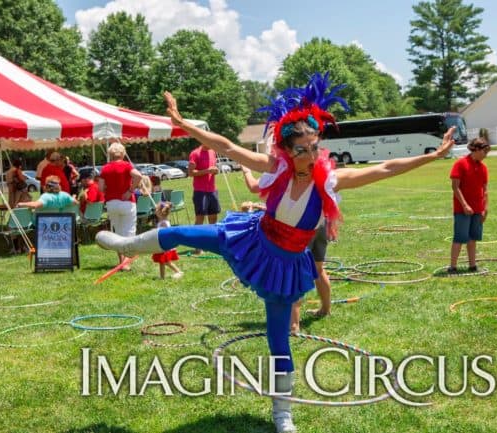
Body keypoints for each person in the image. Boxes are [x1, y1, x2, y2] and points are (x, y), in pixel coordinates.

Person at [96, 73, 454, 433]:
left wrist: (433, 155)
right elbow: (227, 147)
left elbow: (385, 168)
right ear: (287, 151)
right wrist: (181, 122)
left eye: (315, 146)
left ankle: (283, 414)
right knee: (178, 232)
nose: (311, 154)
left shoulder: (327, 180)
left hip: (285, 264)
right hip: (250, 240)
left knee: (278, 340)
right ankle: (127, 246)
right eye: (302, 149)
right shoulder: (276, 166)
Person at [242, 165, 331, 332]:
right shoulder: (312, 167)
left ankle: (293, 324)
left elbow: (254, 187)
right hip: (320, 222)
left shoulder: (280, 168)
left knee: (294, 271)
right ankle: (325, 309)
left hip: (300, 228)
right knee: (319, 268)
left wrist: (247, 170)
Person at [448, 137, 490, 274]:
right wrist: (465, 205)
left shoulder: (483, 167)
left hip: (478, 209)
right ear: (476, 149)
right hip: (462, 209)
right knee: (460, 238)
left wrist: (485, 208)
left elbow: (485, 190)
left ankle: (472, 266)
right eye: (484, 152)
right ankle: (452, 267)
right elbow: (455, 187)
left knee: (473, 239)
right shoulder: (460, 164)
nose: (486, 155)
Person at [99, 142, 142, 270]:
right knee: (129, 231)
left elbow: (100, 188)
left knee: (117, 232)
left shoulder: (105, 168)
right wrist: (130, 191)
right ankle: (126, 263)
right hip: (127, 202)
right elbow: (138, 176)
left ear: (110, 155)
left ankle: (121, 261)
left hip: (112, 202)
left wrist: (108, 189)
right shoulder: (127, 166)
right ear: (123, 154)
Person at [189, 141, 221, 254]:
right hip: (200, 191)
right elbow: (190, 172)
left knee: (213, 217)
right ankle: (197, 246)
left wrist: (215, 171)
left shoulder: (213, 151)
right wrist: (207, 171)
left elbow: (214, 168)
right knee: (200, 218)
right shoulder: (195, 153)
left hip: (212, 189)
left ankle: (211, 243)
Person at [151, 202, 183, 280]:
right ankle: (164, 276)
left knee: (164, 262)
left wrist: (155, 231)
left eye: (156, 210)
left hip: (165, 245)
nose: (155, 211)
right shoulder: (162, 222)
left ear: (161, 212)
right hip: (162, 244)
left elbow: (163, 233)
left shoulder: (164, 223)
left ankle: (176, 272)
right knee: (163, 262)